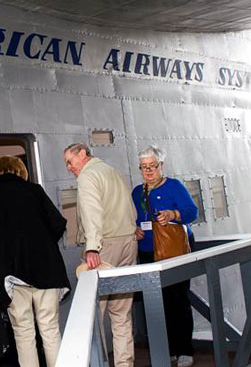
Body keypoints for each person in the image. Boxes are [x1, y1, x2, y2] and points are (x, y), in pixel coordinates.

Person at [0, 156, 70, 367]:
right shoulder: (34, 191)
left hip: (12, 276)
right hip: (47, 271)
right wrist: (41, 244)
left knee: (23, 334)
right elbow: (58, 224)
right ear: (20, 171)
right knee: (50, 330)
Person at [63, 143, 137, 367]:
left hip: (105, 247)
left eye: (69, 161)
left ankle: (99, 364)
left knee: (94, 315)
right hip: (129, 243)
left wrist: (92, 247)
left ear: (83, 154)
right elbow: (130, 207)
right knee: (122, 314)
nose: (68, 167)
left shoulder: (87, 176)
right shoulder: (114, 172)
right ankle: (125, 364)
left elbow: (91, 212)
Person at [132, 145, 198, 367]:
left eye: (152, 166)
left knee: (178, 300)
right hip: (148, 252)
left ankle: (184, 350)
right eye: (144, 167)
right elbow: (133, 218)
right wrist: (135, 229)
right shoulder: (137, 192)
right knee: (156, 304)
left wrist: (173, 214)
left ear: (161, 165)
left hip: (173, 251)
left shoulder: (174, 186)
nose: (148, 171)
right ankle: (167, 350)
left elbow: (192, 211)